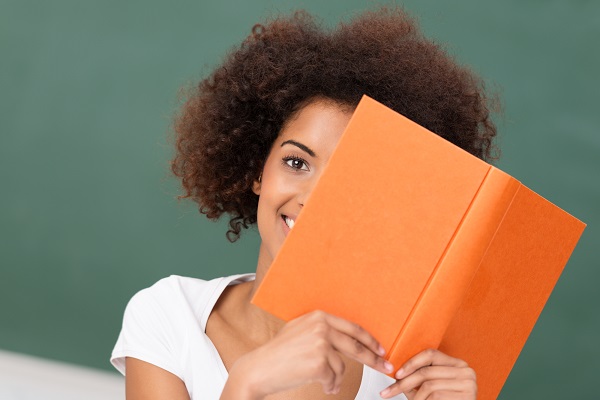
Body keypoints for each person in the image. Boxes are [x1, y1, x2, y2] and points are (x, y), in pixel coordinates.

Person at [111, 7, 497, 400]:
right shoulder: (171, 316)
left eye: (352, 181)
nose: (312, 199)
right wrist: (247, 384)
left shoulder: (410, 374)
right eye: (296, 162)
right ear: (258, 169)